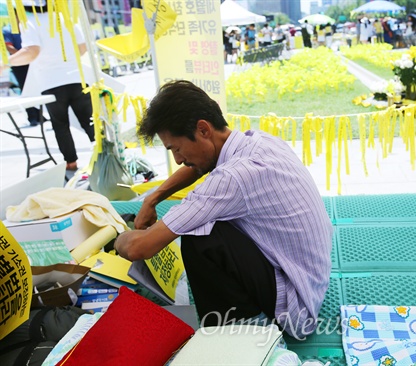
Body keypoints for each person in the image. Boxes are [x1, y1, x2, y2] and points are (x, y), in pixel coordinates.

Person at [114, 80, 333, 339]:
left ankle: (245, 339)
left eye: (176, 148)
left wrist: (118, 236)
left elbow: (140, 248)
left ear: (203, 129)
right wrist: (153, 199)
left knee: (200, 238)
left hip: (296, 310)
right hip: (310, 282)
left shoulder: (232, 180)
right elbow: (197, 166)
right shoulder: (258, 141)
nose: (178, 159)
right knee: (206, 224)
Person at [2, 2, 95, 171]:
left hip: (51, 82)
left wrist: (5, 63)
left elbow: (32, 52)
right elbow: (82, 48)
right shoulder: (65, 18)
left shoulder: (30, 22)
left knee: (60, 125)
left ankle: (71, 163)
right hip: (77, 77)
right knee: (89, 121)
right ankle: (104, 156)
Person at [2, 23, 43, 126]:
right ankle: (32, 117)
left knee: (36, 87)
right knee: (25, 88)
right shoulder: (7, 30)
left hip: (32, 61)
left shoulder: (28, 26)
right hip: (19, 63)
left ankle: (40, 115)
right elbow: (8, 46)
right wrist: (23, 55)